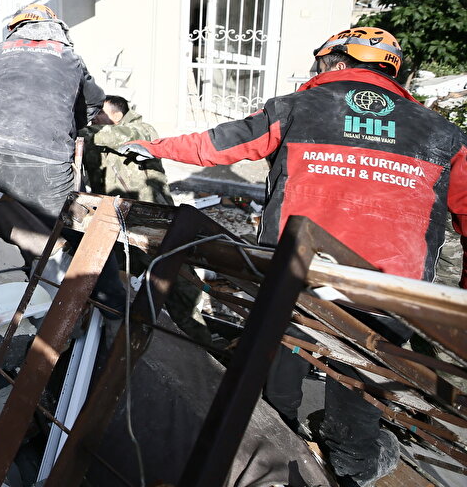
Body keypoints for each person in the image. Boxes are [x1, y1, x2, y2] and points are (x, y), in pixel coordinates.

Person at [118, 26, 467, 486]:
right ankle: (353, 466)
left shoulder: (298, 107)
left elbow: (215, 145)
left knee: (281, 361)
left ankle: (271, 456)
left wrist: (150, 147)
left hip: (299, 274)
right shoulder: (445, 134)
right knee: (361, 376)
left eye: (321, 64)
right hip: (389, 286)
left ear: (337, 63)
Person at [0, 3, 106, 276]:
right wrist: (69, 128)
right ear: (56, 30)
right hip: (41, 158)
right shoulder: (68, 56)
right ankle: (109, 297)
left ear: (14, 29)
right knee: (74, 223)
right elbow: (93, 103)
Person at [81, 95, 173, 204]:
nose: (93, 117)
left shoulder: (144, 129)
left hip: (148, 207)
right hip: (111, 209)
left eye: (100, 112)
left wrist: (79, 132)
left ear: (117, 116)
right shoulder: (94, 138)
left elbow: (120, 136)